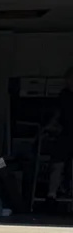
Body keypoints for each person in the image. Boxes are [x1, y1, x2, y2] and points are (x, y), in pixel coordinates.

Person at [44, 66, 73, 203]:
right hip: (66, 134)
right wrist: (49, 127)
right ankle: (52, 194)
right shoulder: (65, 95)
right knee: (57, 162)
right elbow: (58, 114)